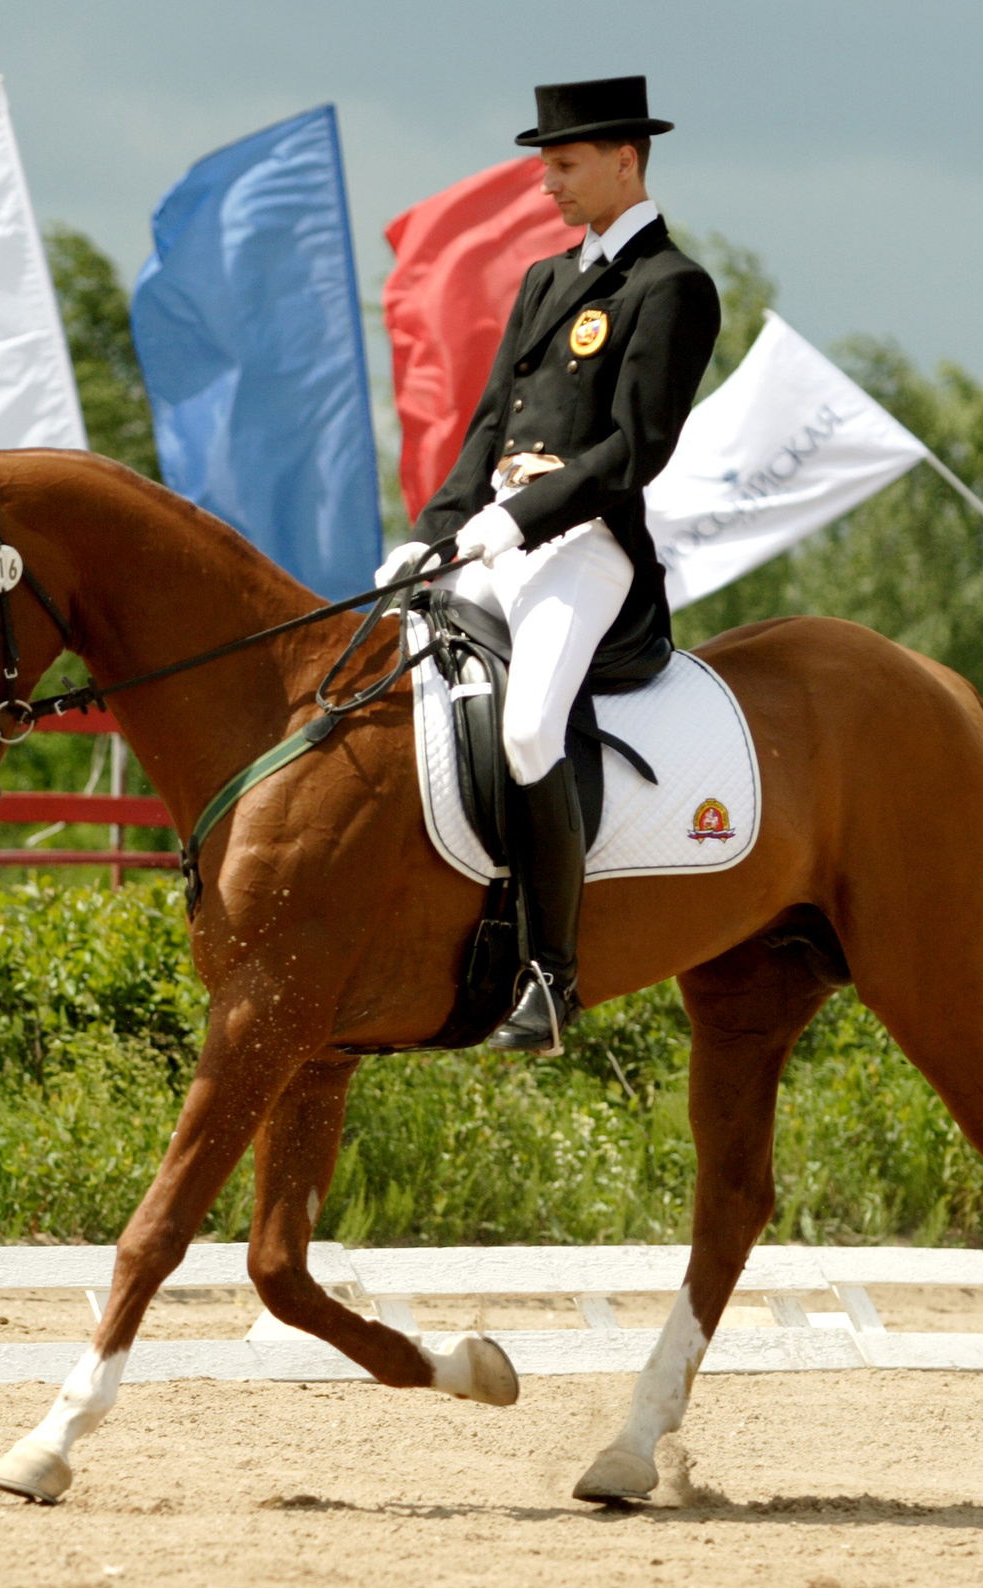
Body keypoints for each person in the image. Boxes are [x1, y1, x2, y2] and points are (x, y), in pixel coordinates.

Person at [380, 74, 720, 1056]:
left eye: (564, 166)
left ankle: (549, 980)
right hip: (496, 534)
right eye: (544, 167)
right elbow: (490, 423)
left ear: (626, 159)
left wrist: (520, 518)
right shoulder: (545, 280)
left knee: (530, 728)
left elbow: (634, 450)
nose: (548, 186)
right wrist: (438, 527)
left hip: (586, 548)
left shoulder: (672, 287)